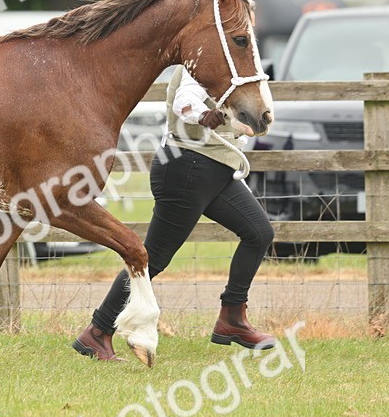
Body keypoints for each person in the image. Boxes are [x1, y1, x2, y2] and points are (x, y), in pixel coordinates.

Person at [73, 65, 276, 361]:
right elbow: (185, 102)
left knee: (259, 233)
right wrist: (206, 115)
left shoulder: (231, 64)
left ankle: (232, 318)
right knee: (152, 258)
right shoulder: (200, 64)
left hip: (216, 169)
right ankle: (97, 331)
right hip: (187, 169)